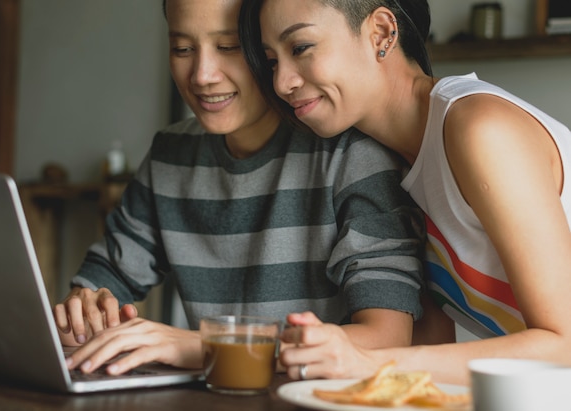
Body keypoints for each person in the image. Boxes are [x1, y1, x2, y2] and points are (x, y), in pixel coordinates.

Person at [54, 0, 427, 379]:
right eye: (182, 49)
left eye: (229, 46)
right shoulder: (171, 155)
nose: (202, 75)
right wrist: (85, 307)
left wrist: (199, 347)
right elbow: (103, 281)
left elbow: (385, 338)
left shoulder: (350, 151)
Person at [239, 0, 571, 385]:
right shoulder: (393, 166)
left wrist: (362, 361)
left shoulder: (479, 129)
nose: (282, 83)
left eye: (300, 48)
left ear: (381, 33)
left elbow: (563, 347)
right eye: (272, 61)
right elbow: (429, 352)